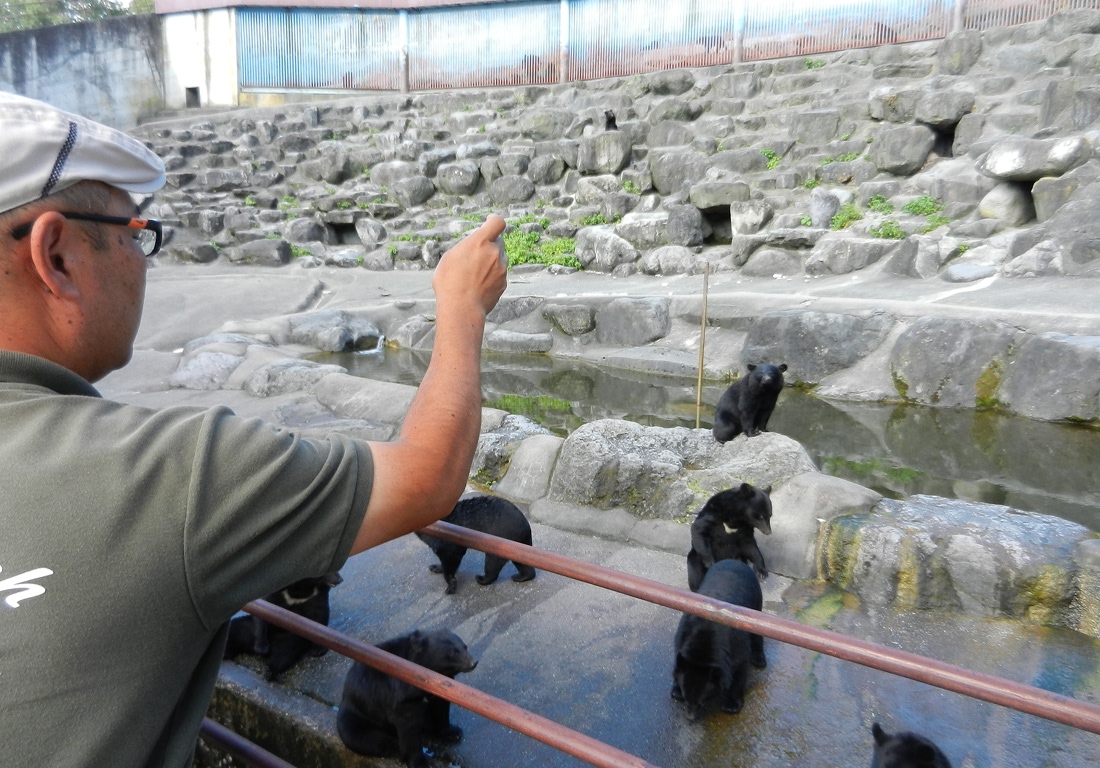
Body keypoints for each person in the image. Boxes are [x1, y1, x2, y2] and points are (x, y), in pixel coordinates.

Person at [0, 91, 508, 768]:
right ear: (56, 255)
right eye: (135, 233)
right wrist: (462, 306)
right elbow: (427, 475)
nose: (143, 259)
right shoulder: (169, 476)